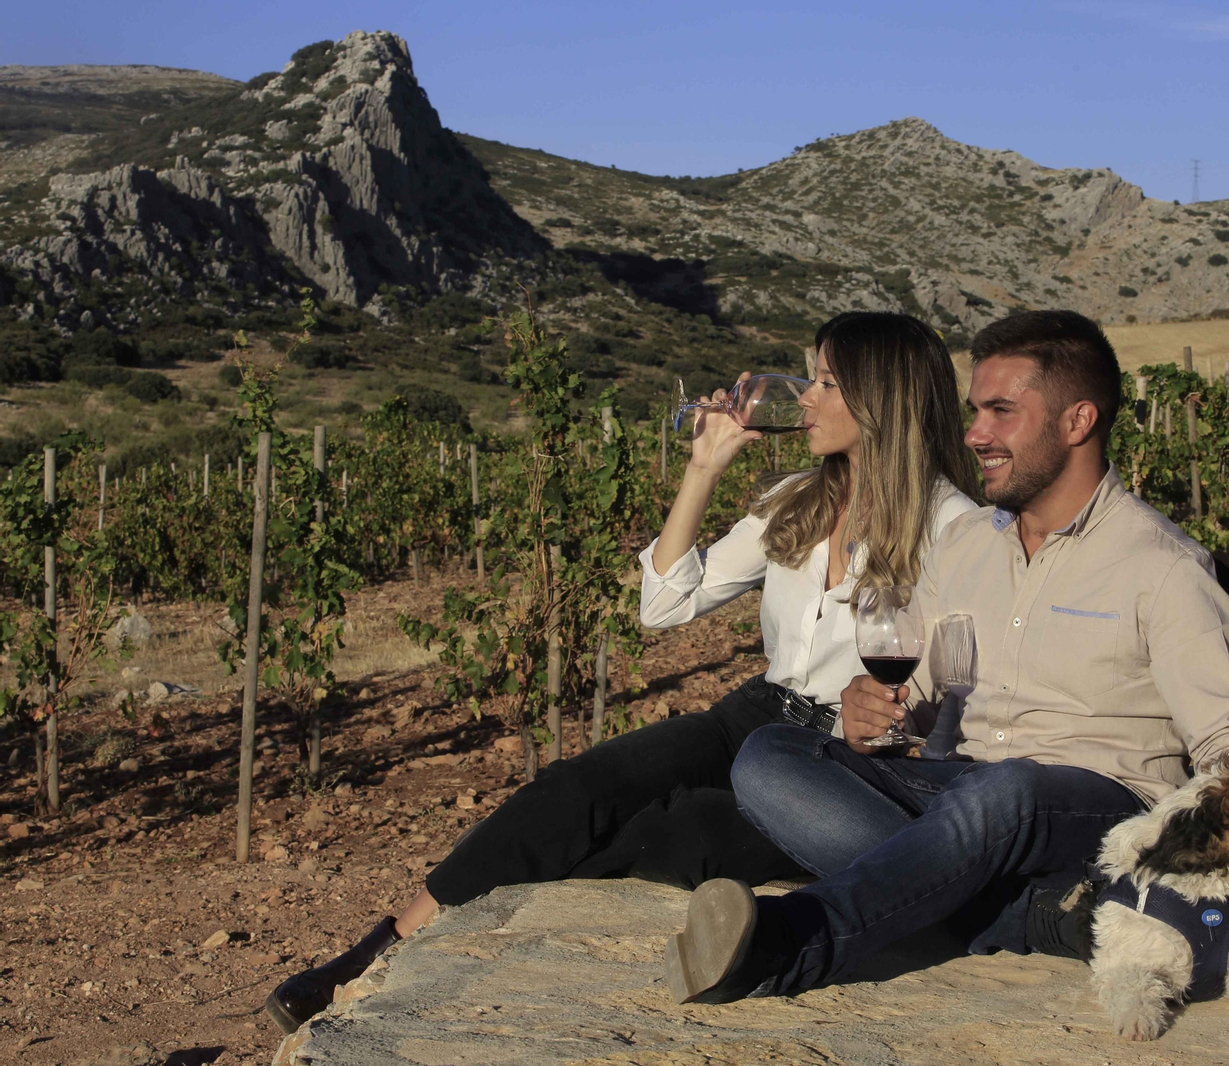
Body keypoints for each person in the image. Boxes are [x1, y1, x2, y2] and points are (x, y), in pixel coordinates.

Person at [264, 311, 979, 1033]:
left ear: (883, 398)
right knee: (578, 789)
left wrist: (900, 721)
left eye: (826, 383)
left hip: (844, 755)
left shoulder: (953, 526)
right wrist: (703, 468)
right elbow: (664, 604)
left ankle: (465, 952)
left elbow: (963, 676)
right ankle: (380, 950)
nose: (805, 398)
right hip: (758, 716)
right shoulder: (797, 499)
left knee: (677, 833)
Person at [665, 309, 1229, 1004]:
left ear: (1077, 422)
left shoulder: (1162, 567)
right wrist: (871, 711)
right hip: (967, 791)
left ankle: (793, 940)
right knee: (770, 756)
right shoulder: (967, 545)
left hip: (1099, 807)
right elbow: (918, 694)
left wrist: (1214, 860)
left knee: (1007, 788)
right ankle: (1036, 916)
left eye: (1001, 412)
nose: (974, 434)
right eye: (975, 411)